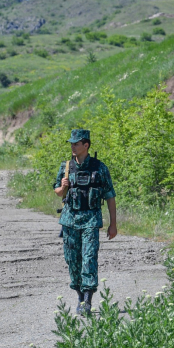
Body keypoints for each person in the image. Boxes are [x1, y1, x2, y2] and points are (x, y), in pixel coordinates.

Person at [53, 129, 117, 315]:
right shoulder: (66, 167)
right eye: (71, 143)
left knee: (89, 258)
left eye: (76, 143)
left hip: (91, 219)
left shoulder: (99, 168)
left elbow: (110, 196)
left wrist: (113, 224)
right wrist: (62, 188)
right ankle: (80, 296)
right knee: (72, 261)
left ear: (86, 145)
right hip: (70, 220)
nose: (72, 147)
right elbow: (58, 192)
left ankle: (87, 300)